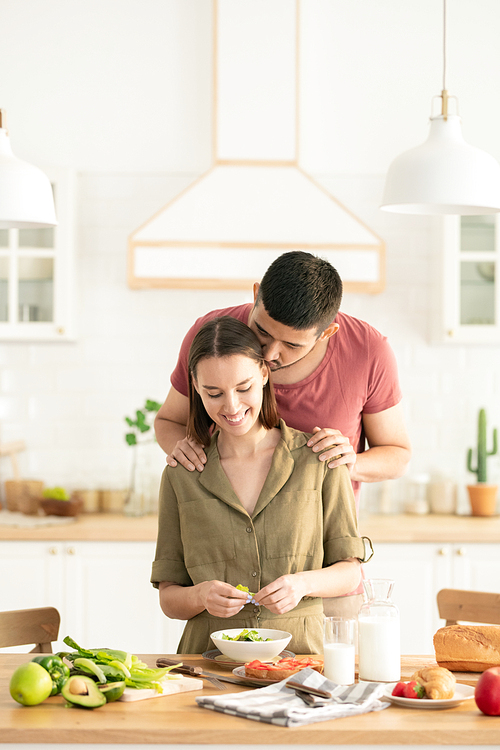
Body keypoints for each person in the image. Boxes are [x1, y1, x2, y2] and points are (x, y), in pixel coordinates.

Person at [155, 251, 411, 615]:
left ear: (328, 332)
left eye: (292, 345)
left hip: (322, 569)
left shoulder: (368, 350)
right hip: (227, 572)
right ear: (256, 294)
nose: (270, 353)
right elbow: (169, 422)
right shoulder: (214, 335)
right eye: (262, 331)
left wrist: (343, 463)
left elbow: (397, 454)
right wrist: (187, 452)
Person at [151, 317, 368, 655]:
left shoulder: (319, 459)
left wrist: (302, 584)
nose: (232, 406)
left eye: (243, 387)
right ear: (194, 386)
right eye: (214, 393)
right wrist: (199, 596)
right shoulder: (183, 474)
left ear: (265, 375)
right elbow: (169, 596)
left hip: (303, 658)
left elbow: (350, 572)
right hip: (208, 660)